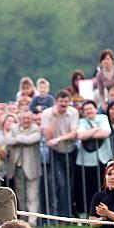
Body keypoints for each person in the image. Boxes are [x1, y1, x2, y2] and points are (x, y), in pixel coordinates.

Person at [42, 90, 79, 219]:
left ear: (69, 102)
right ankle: (61, 217)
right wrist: (56, 117)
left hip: (70, 151)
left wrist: (58, 139)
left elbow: (74, 133)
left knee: (71, 185)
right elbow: (47, 135)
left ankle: (69, 216)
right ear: (56, 102)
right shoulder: (47, 113)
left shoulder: (73, 112)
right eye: (61, 101)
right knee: (61, 185)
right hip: (56, 153)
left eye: (66, 101)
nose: (63, 104)